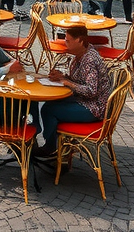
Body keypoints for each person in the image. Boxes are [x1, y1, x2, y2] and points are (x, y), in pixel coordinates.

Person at [36, 26, 112, 155]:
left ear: (80, 41)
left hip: (94, 108)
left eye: (68, 40)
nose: (65, 43)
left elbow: (91, 90)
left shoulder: (89, 60)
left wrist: (68, 83)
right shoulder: (81, 54)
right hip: (85, 101)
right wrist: (62, 77)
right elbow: (80, 80)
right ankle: (58, 145)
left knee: (49, 110)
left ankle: (50, 148)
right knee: (50, 104)